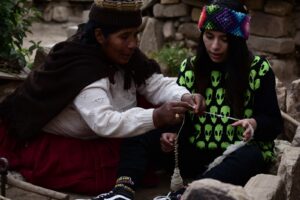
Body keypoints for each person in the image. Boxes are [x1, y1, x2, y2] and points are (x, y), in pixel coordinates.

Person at [0, 0, 205, 195]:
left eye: (135, 35)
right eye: (125, 36)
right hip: (69, 140)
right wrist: (157, 117)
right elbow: (104, 122)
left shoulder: (124, 54)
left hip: (103, 131)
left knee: (153, 106)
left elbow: (154, 84)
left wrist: (185, 95)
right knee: (108, 173)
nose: (133, 44)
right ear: (99, 35)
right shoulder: (81, 69)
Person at [92, 0, 283, 199]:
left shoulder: (258, 69)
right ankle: (122, 191)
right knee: (139, 129)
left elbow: (274, 123)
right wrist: (171, 135)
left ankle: (186, 194)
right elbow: (184, 121)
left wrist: (254, 124)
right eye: (209, 37)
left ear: (236, 40)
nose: (215, 46)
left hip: (235, 154)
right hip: (195, 152)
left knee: (250, 157)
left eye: (224, 39)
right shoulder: (190, 67)